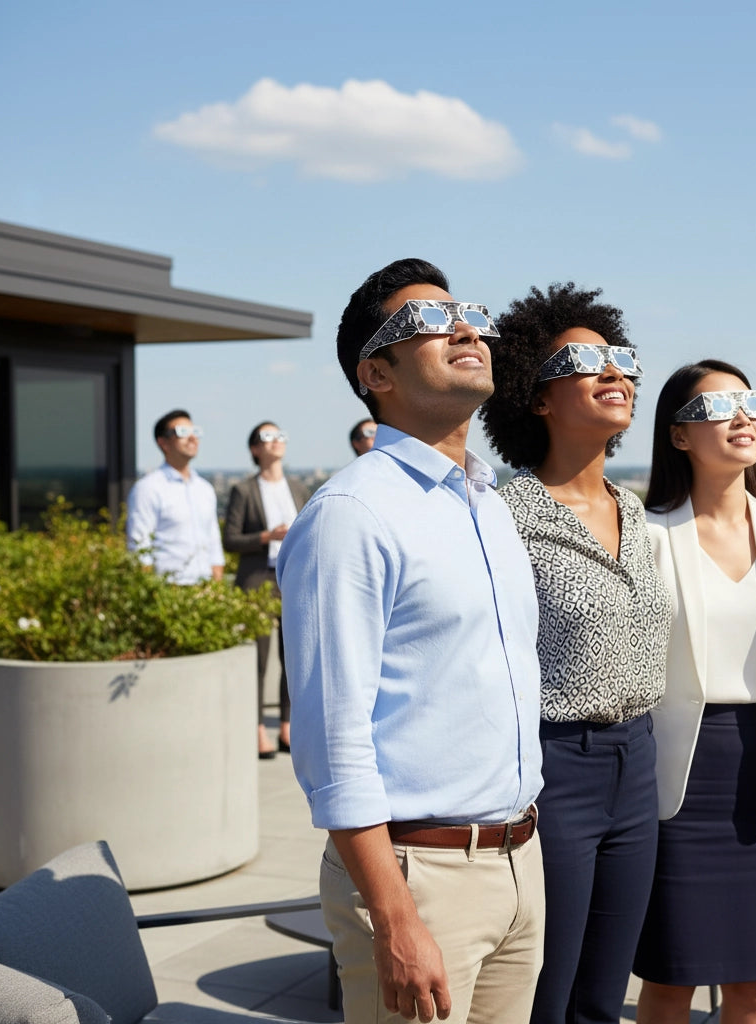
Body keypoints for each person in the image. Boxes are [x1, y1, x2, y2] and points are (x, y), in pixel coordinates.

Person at [276, 258, 545, 1024]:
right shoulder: (353, 514)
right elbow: (333, 745)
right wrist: (394, 917)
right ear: (377, 373)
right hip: (418, 876)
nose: (465, 328)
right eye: (427, 322)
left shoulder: (489, 502)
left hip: (517, 859)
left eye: (467, 313)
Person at [479, 282, 671, 1024]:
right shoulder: (507, 515)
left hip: (638, 756)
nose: (614, 373)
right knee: (545, 991)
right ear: (537, 397)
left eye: (621, 359)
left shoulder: (632, 508)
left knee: (603, 993)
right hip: (557, 766)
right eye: (586, 362)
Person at [634, 360, 756, 1024]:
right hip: (679, 779)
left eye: (750, 402)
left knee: (755, 988)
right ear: (679, 436)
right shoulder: (644, 533)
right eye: (720, 407)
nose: (744, 417)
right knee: (669, 981)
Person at [223, 422, 310, 759]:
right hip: (257, 581)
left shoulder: (299, 487)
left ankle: (287, 726)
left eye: (280, 435)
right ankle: (258, 728)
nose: (276, 441)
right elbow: (230, 539)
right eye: (267, 437)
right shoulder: (243, 490)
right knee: (258, 660)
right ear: (254, 449)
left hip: (292, 580)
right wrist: (266, 536)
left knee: (293, 657)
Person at [126, 409, 224, 584]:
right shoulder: (148, 488)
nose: (192, 438)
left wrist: (216, 584)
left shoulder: (205, 489)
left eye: (195, 432)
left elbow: (213, 540)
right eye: (183, 432)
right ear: (163, 443)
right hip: (168, 591)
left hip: (206, 590)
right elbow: (139, 546)